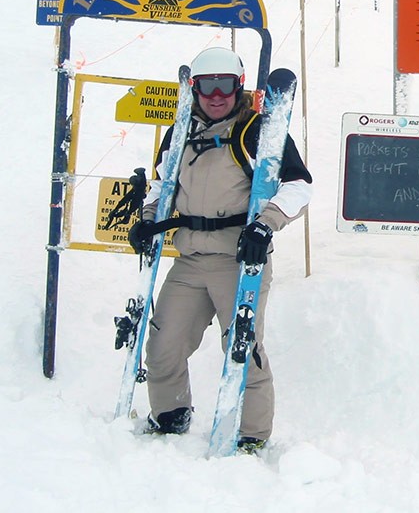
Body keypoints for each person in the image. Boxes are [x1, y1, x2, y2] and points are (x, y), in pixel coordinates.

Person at [128, 47, 312, 451]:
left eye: (224, 86)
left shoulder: (259, 131)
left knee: (243, 349)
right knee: (163, 343)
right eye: (206, 86)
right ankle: (171, 414)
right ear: (194, 89)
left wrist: (266, 226)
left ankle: (251, 434)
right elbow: (162, 185)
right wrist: (146, 218)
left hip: (238, 261)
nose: (216, 95)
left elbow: (299, 185)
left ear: (238, 87)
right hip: (191, 259)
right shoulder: (182, 133)